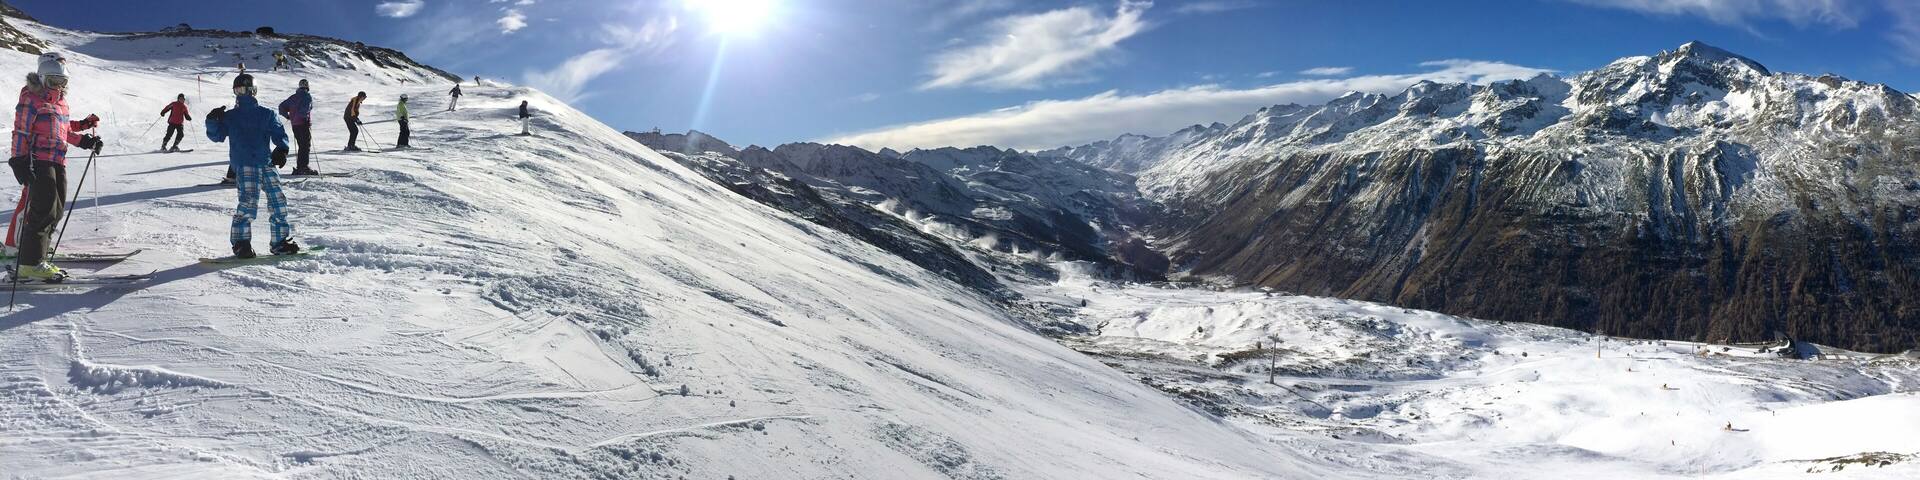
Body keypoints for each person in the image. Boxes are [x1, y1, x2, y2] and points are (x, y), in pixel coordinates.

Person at [9, 52, 104, 281]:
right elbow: (21, 131)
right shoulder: (31, 98)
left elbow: (64, 131)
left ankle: (39, 252)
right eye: (53, 81)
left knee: (57, 209)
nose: (58, 86)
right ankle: (29, 264)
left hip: (58, 160)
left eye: (63, 82)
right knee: (43, 209)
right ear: (42, 78)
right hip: (37, 160)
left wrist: (86, 141)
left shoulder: (61, 102)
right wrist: (19, 160)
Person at [206, 73, 298, 259]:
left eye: (247, 90)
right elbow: (217, 136)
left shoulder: (266, 113)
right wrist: (212, 120)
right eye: (239, 90)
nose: (243, 93)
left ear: (254, 91)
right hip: (245, 163)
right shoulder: (230, 116)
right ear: (235, 92)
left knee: (278, 203)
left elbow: (278, 131)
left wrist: (282, 148)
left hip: (266, 162)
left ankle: (279, 242)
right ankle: (241, 243)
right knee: (248, 204)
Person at [277, 79, 316, 175]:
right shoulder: (307, 96)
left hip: (295, 125)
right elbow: (306, 108)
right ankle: (303, 167)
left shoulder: (293, 97)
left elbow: (281, 107)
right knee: (305, 146)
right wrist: (303, 119)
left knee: (301, 146)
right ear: (307, 87)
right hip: (303, 124)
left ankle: (300, 167)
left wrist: (288, 116)